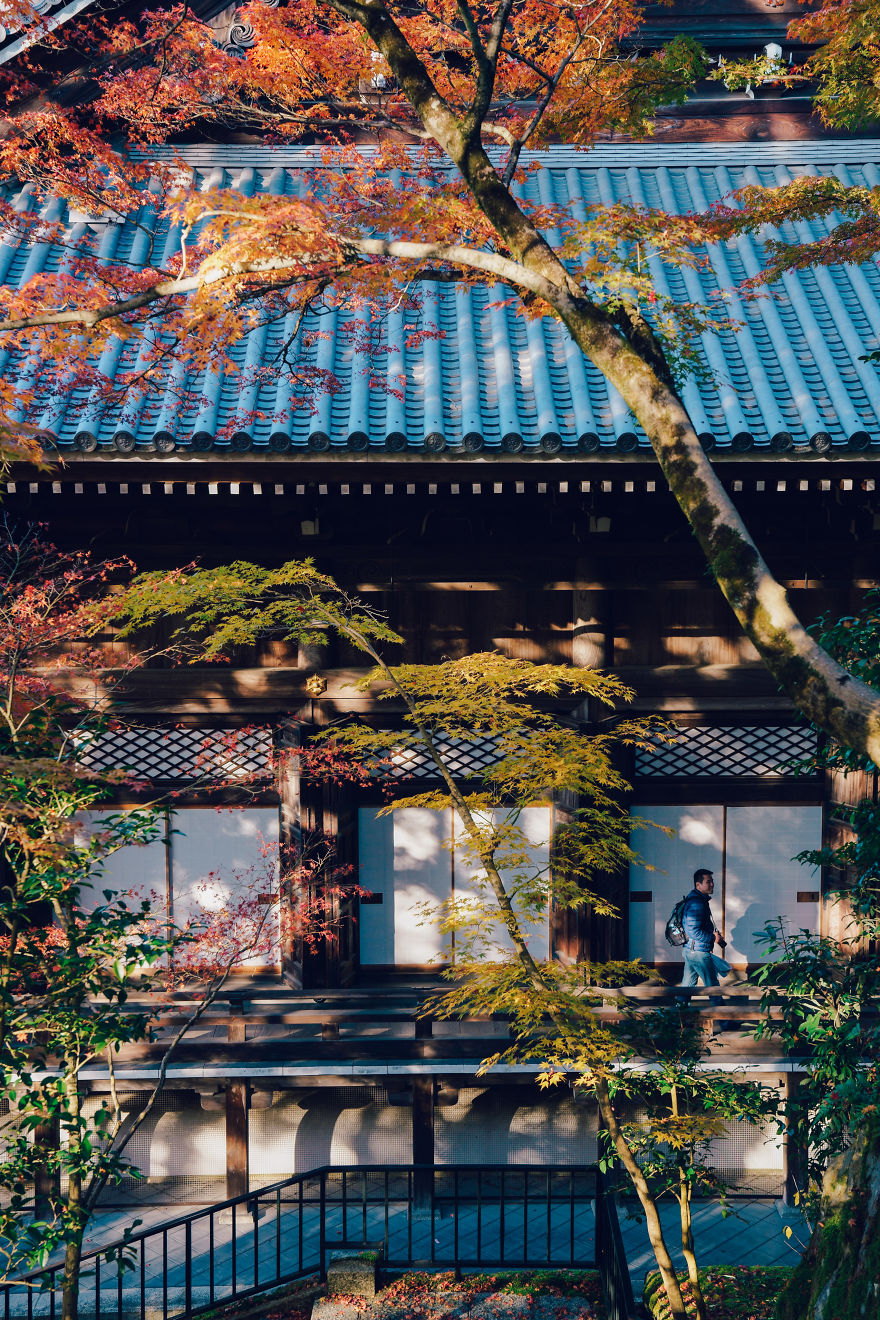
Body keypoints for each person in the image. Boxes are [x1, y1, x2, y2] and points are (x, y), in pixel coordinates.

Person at [680, 868, 727, 987]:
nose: (712, 884)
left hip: (692, 949)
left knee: (687, 985)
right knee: (713, 986)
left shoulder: (698, 900)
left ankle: (681, 1000)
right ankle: (718, 1001)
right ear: (698, 885)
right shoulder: (697, 903)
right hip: (698, 952)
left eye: (712, 881)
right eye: (708, 882)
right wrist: (713, 938)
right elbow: (693, 931)